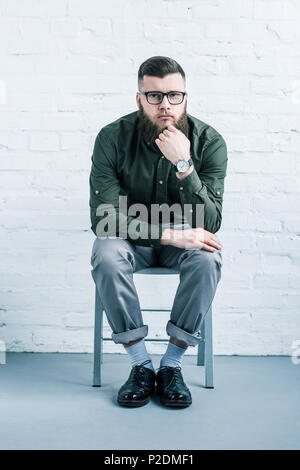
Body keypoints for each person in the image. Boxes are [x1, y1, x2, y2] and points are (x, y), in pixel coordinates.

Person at [89, 56, 227, 408]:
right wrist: (171, 235)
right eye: (154, 96)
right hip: (133, 241)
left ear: (186, 97)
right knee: (105, 253)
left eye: (174, 95)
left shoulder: (209, 141)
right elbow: (105, 219)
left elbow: (209, 222)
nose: (165, 104)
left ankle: (170, 366)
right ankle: (139, 364)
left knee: (207, 258)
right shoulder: (112, 138)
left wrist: (184, 165)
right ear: (139, 99)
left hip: (182, 240)